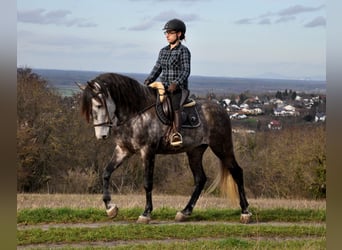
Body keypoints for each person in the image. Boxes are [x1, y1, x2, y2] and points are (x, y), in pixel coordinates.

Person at [144, 18, 191, 146]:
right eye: (166, 33)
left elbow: (186, 71)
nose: (167, 36)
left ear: (179, 34)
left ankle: (176, 133)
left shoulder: (183, 51)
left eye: (170, 33)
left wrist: (176, 83)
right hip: (162, 86)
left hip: (178, 88)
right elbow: (157, 68)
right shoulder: (163, 51)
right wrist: (149, 80)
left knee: (175, 106)